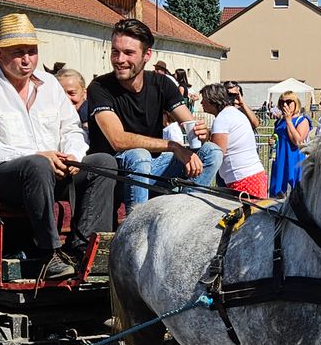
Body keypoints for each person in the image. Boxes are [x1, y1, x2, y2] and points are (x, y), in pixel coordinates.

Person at [0, 13, 117, 280]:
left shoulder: (50, 85)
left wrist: (71, 156)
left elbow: (71, 128)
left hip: (49, 170)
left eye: (31, 52)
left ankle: (83, 250)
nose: (27, 60)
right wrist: (39, 155)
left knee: (103, 163)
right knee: (36, 165)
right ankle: (48, 254)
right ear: (0, 54)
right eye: (18, 52)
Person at [87, 18, 221, 216]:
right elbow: (117, 140)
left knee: (212, 152)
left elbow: (188, 122)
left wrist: (202, 133)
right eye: (115, 51)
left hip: (152, 168)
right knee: (138, 155)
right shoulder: (99, 87)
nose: (119, 59)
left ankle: (183, 214)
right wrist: (174, 147)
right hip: (114, 172)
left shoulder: (163, 84)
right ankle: (136, 224)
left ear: (147, 55)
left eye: (129, 53)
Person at [206, 82, 267, 198]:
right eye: (228, 94)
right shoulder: (231, 115)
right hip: (247, 176)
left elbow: (216, 154)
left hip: (242, 177)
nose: (231, 98)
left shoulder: (224, 118)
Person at [269, 90, 311, 196]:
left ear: (295, 103)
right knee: (277, 196)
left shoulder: (302, 120)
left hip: (294, 162)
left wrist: (288, 121)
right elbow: (278, 137)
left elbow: (298, 141)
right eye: (282, 102)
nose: (285, 105)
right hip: (279, 162)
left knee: (295, 195)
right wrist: (273, 141)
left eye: (288, 102)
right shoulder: (279, 121)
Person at [55, 68, 89, 137]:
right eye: (61, 94)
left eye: (72, 93)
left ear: (84, 93)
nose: (66, 99)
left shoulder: (89, 116)